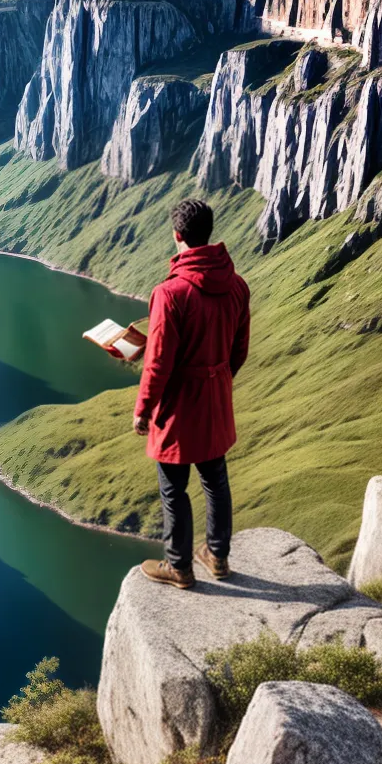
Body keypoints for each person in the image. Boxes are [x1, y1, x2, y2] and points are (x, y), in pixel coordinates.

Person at [133, 198, 251, 589]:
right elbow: (239, 349)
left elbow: (158, 362)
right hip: (215, 398)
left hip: (179, 405)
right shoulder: (236, 285)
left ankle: (178, 566)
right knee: (215, 480)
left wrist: (143, 409)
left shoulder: (170, 293)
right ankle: (217, 557)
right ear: (208, 232)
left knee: (173, 488)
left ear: (177, 235)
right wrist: (216, 379)